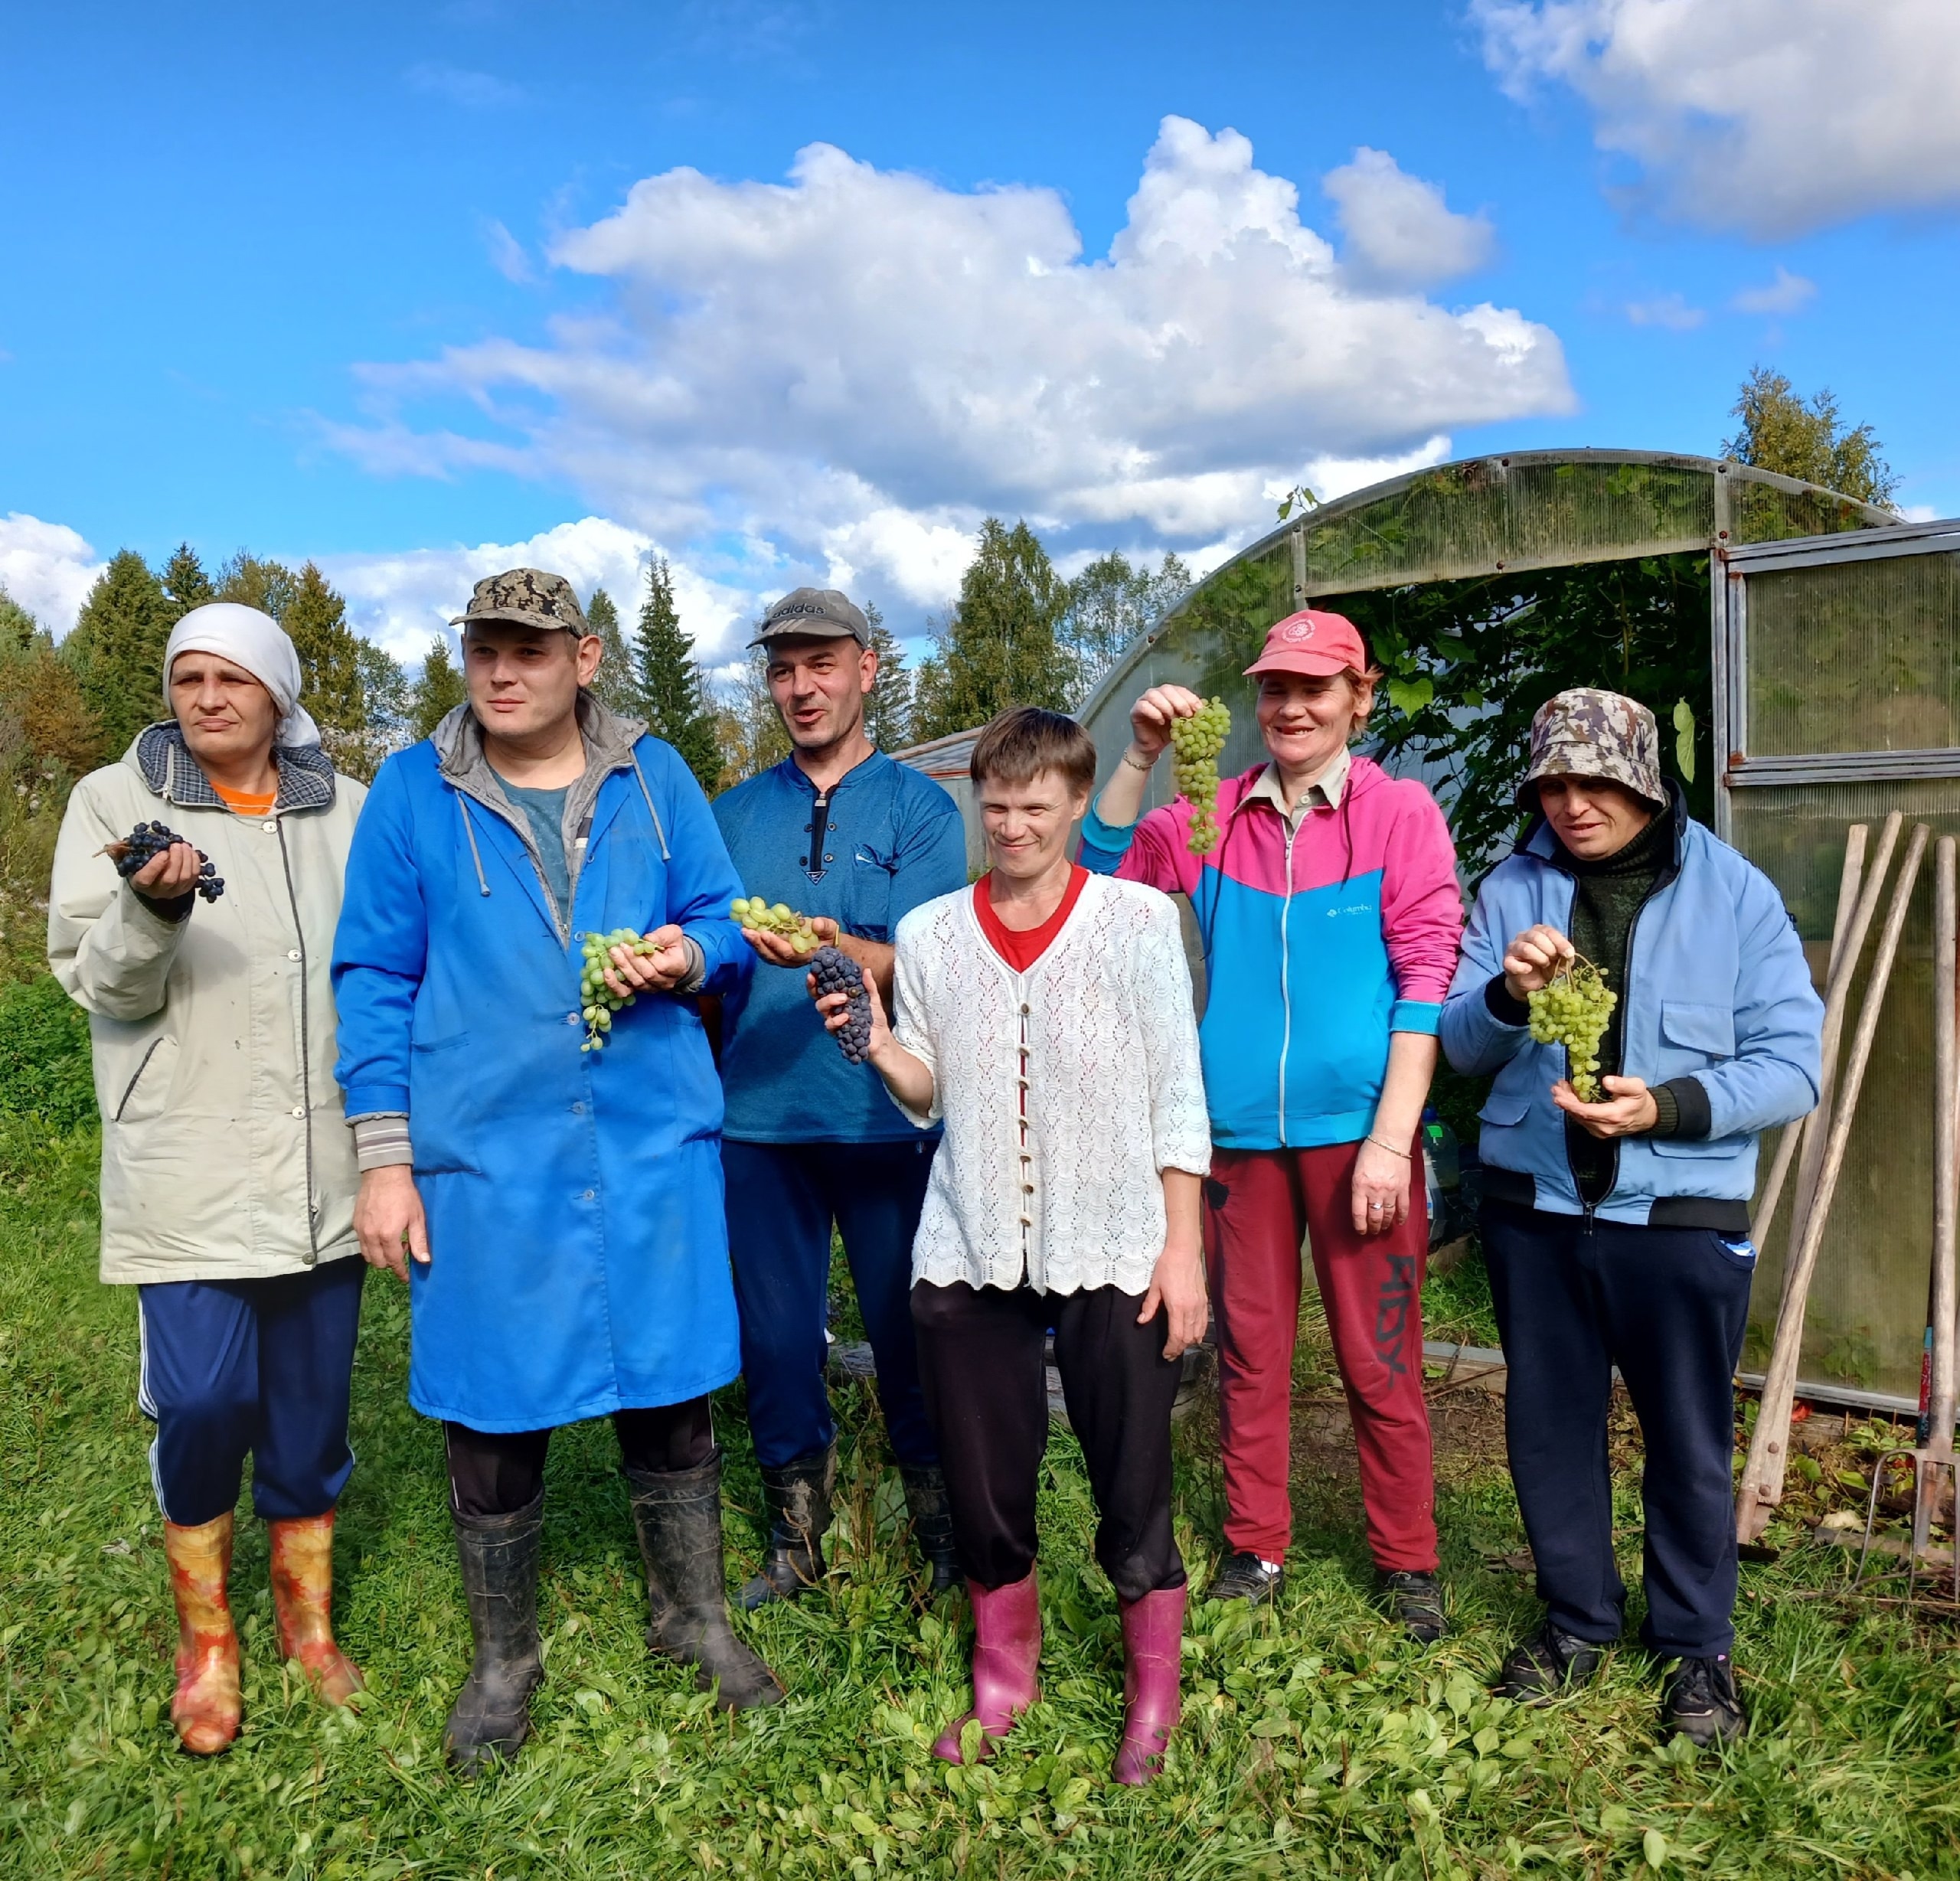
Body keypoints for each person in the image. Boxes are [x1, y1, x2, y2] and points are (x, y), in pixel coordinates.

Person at [332, 567, 781, 1770]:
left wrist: (690, 952)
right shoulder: (413, 795)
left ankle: (694, 1618)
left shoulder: (655, 773)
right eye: (483, 645)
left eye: (529, 647)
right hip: (490, 1152)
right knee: (491, 1403)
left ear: (584, 657)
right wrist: (387, 1158)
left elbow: (727, 919)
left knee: (673, 1385)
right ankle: (504, 1661)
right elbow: (373, 976)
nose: (501, 668)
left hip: (644, 1139)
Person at [820, 707, 1210, 1784]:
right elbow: (928, 1089)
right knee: (985, 1470)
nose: (1013, 825)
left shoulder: (1134, 921)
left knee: (1130, 1465)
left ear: (1078, 804)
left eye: (1037, 805)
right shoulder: (937, 930)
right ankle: (1005, 1677)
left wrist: (1182, 1250)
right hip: (972, 1232)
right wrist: (882, 1043)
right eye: (996, 805)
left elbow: (1179, 1090)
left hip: (1116, 1230)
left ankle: (1151, 1694)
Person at [1440, 688, 1821, 1745]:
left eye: (1596, 780)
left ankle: (1696, 1650)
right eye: (1553, 783)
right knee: (1549, 1428)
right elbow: (1460, 1047)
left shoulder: (1735, 895)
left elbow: (1795, 1068)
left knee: (1689, 1440)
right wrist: (1510, 998)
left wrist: (1671, 1106)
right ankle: (1577, 1622)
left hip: (1682, 1215)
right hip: (1538, 1212)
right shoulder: (1512, 887)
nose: (1572, 802)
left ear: (1647, 782)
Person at [1080, 608, 1463, 1639]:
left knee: (1379, 1353)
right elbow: (1094, 881)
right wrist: (1141, 757)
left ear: (1358, 697)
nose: (1291, 707)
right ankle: (1257, 1544)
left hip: (1358, 1141)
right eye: (1275, 689)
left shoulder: (1398, 814)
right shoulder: (1209, 815)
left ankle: (1408, 1557)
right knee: (1251, 1350)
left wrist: (1392, 1140)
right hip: (1237, 1137)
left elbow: (1425, 979)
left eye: (1315, 688)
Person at [48, 603, 368, 1757]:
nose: (207, 696)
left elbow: (381, 966)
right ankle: (208, 1641)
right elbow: (104, 987)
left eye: (233, 676)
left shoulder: (348, 812)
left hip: (324, 1159)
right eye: (187, 676)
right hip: (187, 1158)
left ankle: (306, 1621)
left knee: (309, 1410)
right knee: (201, 1401)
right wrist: (154, 906)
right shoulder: (113, 805)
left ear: (279, 694)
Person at [711, 588, 968, 1606]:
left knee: (912, 1329)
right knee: (774, 1338)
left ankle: (939, 1527)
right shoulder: (733, 813)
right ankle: (796, 1533)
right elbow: (709, 946)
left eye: (822, 664)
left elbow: (934, 958)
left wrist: (825, 942)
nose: (801, 686)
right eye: (783, 668)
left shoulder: (919, 808)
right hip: (760, 1120)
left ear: (868, 668)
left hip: (882, 1116)